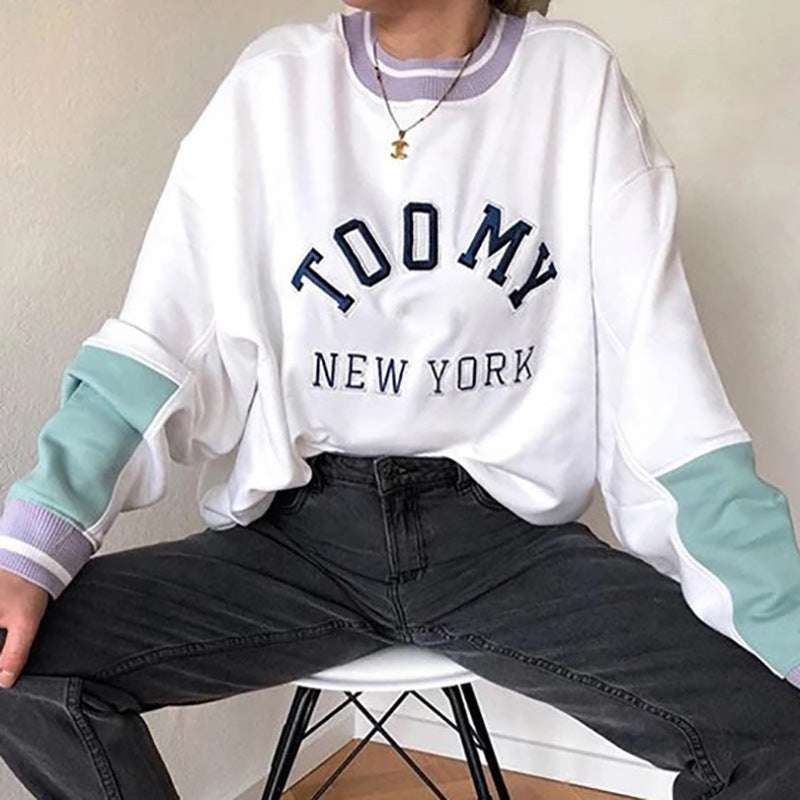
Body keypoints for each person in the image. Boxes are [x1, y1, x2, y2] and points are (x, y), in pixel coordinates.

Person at [1, 0, 799, 796]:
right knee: (15, 663)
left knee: (782, 729)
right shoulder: (274, 86)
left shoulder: (574, 85)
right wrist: (28, 549)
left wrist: (785, 619)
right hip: (301, 541)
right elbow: (162, 346)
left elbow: (665, 396)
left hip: (505, 546)